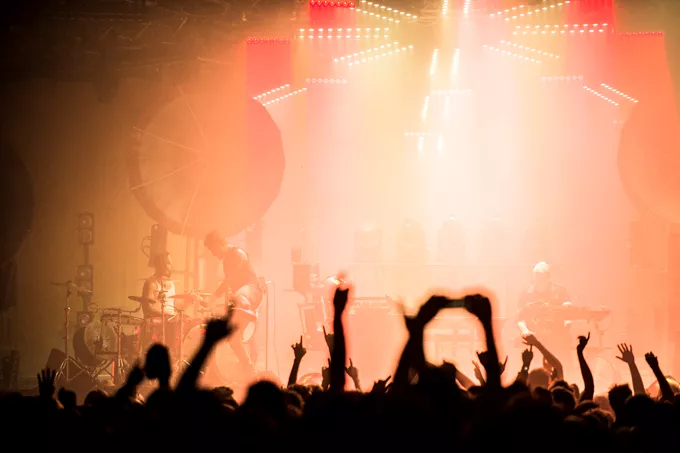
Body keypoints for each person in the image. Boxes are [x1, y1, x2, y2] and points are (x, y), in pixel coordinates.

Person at [204, 230, 263, 377]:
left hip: (252, 291)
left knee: (239, 297)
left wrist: (213, 297)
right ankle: (250, 370)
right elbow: (230, 286)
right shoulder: (226, 261)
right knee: (233, 339)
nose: (212, 254)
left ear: (218, 244)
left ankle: (250, 318)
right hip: (240, 301)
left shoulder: (238, 254)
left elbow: (231, 279)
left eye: (212, 249)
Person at [516, 262, 572, 366]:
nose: (539, 279)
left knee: (561, 366)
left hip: (558, 340)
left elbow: (569, 314)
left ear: (548, 277)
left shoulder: (560, 291)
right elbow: (520, 318)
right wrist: (525, 331)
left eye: (541, 276)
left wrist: (567, 324)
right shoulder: (526, 293)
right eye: (536, 276)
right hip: (536, 340)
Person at [140, 253, 177, 351]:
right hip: (157, 321)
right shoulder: (151, 283)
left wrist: (188, 300)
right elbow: (147, 307)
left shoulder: (172, 283)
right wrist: (164, 315)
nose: (170, 266)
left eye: (170, 263)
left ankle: (174, 352)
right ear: (160, 265)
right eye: (168, 263)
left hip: (170, 320)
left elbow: (175, 305)